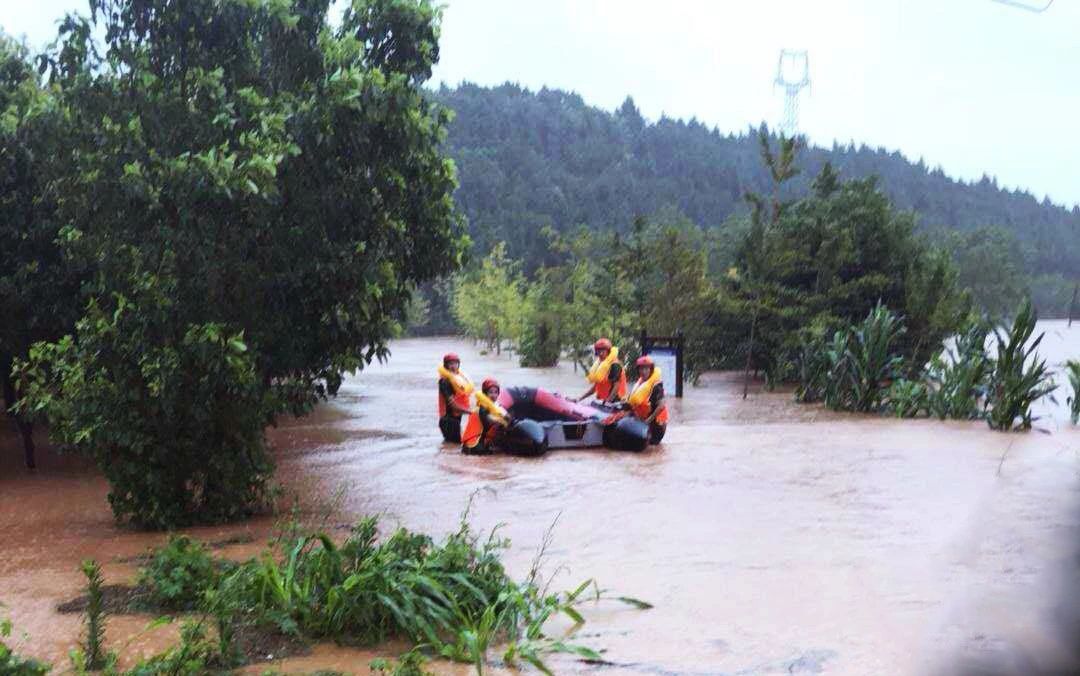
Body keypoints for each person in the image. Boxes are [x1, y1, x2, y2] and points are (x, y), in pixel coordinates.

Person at [573, 338, 627, 404]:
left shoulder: (615, 365)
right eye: (598, 351)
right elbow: (596, 387)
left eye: (603, 350)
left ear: (608, 351)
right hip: (602, 401)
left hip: (615, 402)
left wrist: (608, 402)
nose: (600, 353)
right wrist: (579, 398)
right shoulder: (601, 366)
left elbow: (616, 386)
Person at [628, 355, 668, 444]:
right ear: (638, 370)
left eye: (646, 369)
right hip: (643, 421)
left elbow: (661, 406)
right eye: (641, 369)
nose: (643, 371)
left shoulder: (656, 386)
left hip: (656, 424)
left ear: (651, 370)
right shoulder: (639, 384)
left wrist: (648, 421)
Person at [463, 378, 510, 454]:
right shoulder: (482, 408)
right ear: (485, 394)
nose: (493, 395)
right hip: (473, 445)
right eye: (490, 392)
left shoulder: (494, 406)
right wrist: (501, 421)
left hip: (479, 442)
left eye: (496, 392)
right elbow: (488, 421)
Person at [437, 353, 476, 443]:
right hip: (448, 421)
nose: (453, 366)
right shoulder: (444, 382)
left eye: (455, 363)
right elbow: (453, 406)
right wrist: (470, 412)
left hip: (456, 420)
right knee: (455, 446)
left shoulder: (459, 380)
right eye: (450, 364)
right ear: (446, 366)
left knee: (451, 448)